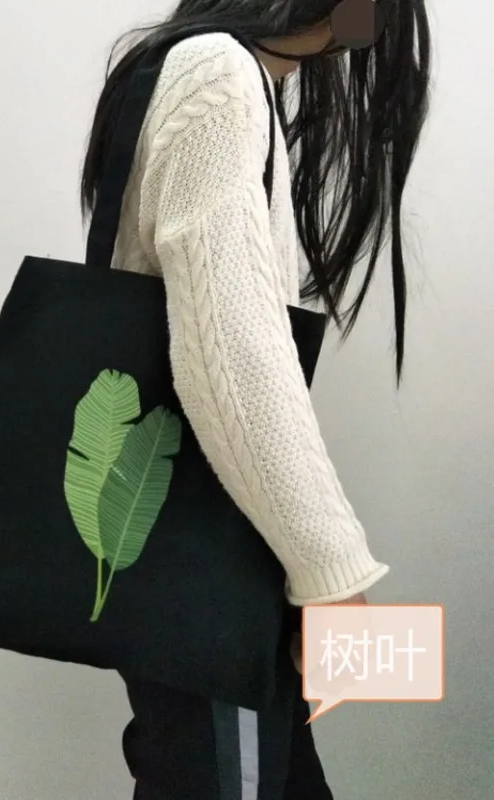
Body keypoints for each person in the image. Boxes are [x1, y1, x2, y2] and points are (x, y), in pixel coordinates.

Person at [80, 1, 431, 797]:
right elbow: (232, 355)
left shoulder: (201, 69)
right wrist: (330, 571)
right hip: (212, 567)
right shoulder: (218, 74)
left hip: (194, 549)